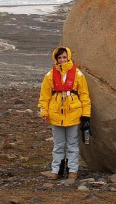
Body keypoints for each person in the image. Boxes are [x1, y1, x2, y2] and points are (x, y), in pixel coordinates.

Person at [38, 46, 91, 180]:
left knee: (72, 144)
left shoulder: (78, 75)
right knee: (58, 144)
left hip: (73, 114)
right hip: (56, 115)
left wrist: (86, 115)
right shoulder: (50, 75)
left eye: (64, 57)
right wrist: (44, 112)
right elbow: (44, 96)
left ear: (69, 57)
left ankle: (72, 170)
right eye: (60, 58)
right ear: (56, 59)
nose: (62, 60)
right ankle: (57, 170)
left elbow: (84, 96)